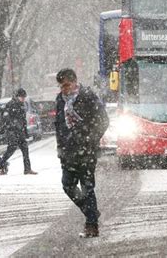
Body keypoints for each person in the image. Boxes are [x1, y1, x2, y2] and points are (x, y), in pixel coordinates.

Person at [55, 68, 109, 238]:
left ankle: (92, 226)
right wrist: (60, 147)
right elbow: (59, 125)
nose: (64, 89)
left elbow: (103, 120)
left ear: (75, 81)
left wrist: (90, 140)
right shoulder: (60, 100)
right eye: (61, 86)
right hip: (68, 152)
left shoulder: (87, 96)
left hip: (86, 151)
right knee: (68, 185)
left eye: (67, 85)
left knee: (87, 187)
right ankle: (91, 213)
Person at [0, 88, 38, 175]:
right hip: (12, 131)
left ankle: (27, 169)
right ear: (17, 96)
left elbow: (23, 120)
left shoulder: (21, 105)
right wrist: (13, 127)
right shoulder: (11, 104)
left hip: (20, 131)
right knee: (11, 148)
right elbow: (6, 118)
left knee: (25, 149)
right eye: (22, 97)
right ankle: (1, 165)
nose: (23, 99)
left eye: (24, 97)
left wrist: (25, 132)